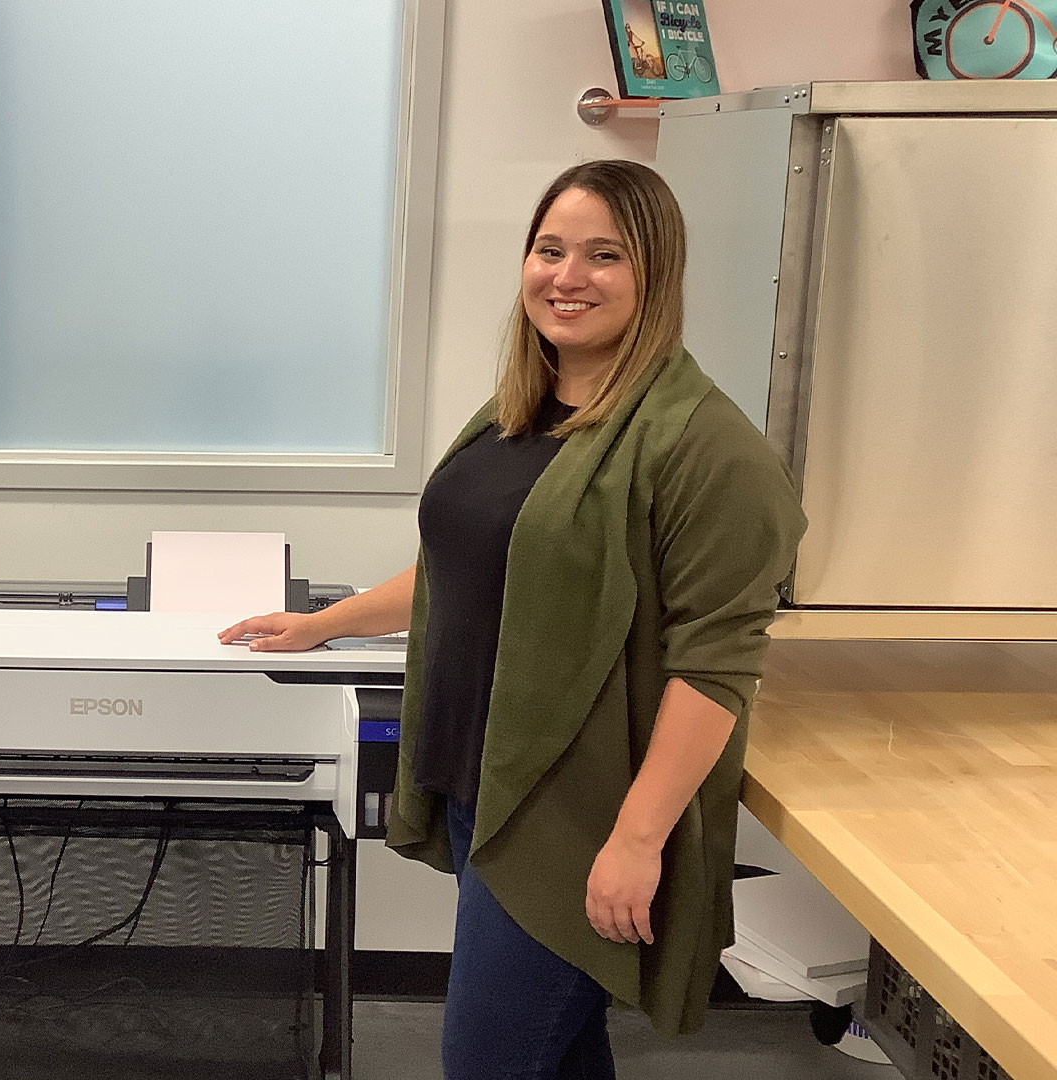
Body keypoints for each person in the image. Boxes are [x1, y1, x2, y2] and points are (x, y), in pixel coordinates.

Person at [220, 160, 805, 1079]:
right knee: (559, 1051)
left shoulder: (708, 448)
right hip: (481, 787)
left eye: (605, 255)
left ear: (657, 277)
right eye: (551, 249)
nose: (568, 277)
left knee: (490, 1061)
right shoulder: (520, 413)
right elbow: (467, 567)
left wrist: (635, 840)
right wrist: (325, 622)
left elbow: (716, 666)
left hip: (574, 817)